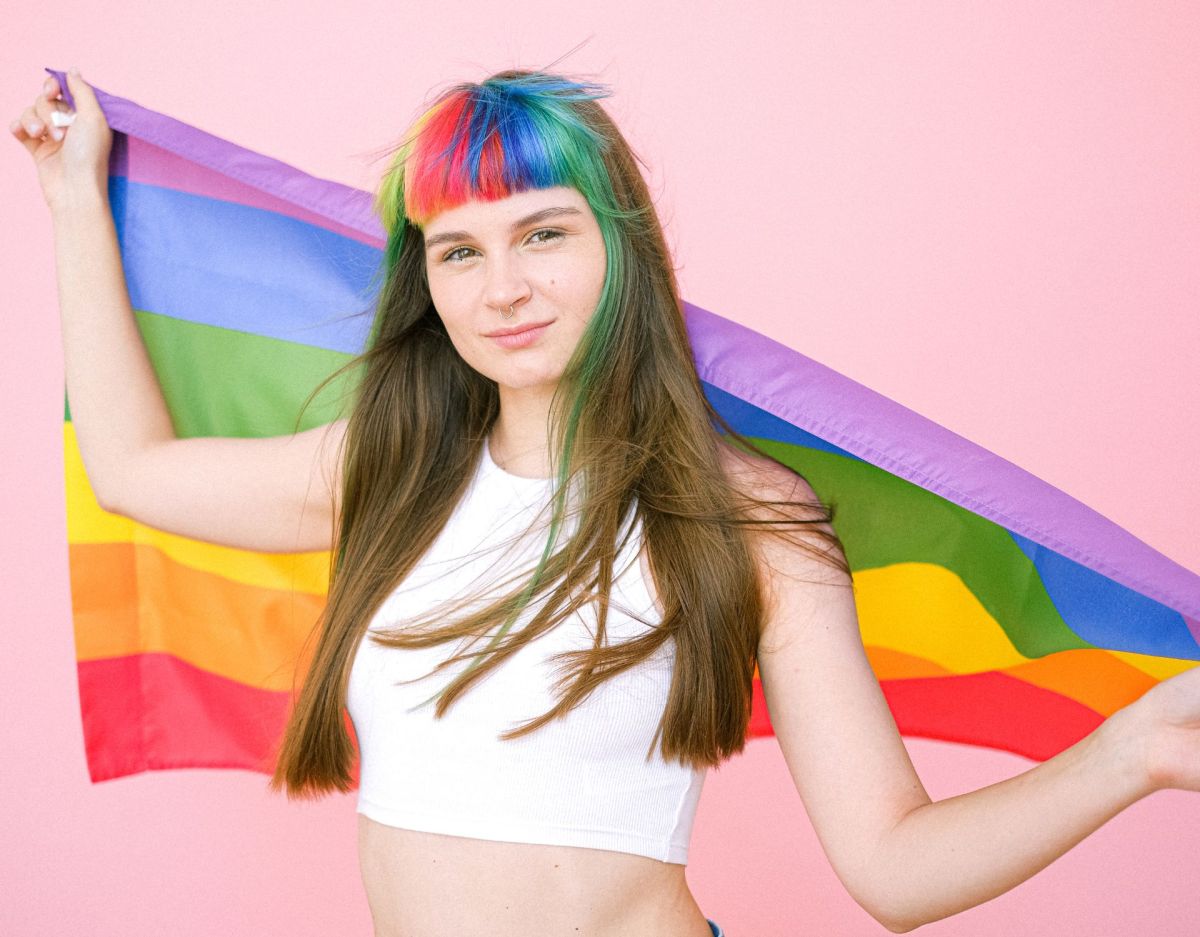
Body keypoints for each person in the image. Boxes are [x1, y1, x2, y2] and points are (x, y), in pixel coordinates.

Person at [12, 65, 1200, 937]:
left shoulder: (748, 520)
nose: (504, 288)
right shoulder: (387, 468)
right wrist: (74, 200)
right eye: (459, 250)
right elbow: (131, 469)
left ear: (621, 248)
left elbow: (891, 868)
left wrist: (1128, 753)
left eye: (543, 233)